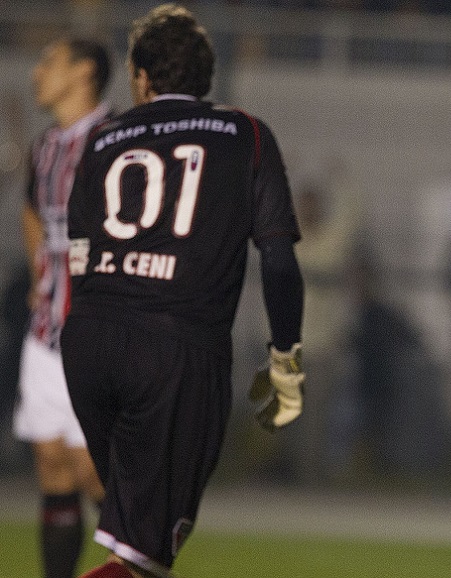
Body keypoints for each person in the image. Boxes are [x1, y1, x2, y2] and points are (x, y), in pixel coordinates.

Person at [60, 5, 305, 578]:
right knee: (145, 559)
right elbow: (277, 258)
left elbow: (78, 256)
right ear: (207, 77)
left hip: (90, 342)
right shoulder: (245, 133)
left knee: (134, 543)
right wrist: (285, 358)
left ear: (142, 78)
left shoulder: (101, 140)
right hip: (174, 352)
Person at [12, 36, 112, 578]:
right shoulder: (46, 145)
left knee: (93, 471)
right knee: (52, 462)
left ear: (84, 72)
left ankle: (142, 562)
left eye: (49, 61)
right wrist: (38, 274)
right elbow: (32, 210)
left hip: (94, 333)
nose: (37, 73)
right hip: (46, 327)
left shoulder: (117, 140)